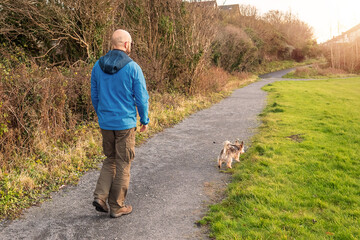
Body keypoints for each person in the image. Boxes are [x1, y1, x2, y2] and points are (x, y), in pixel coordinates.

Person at [90, 29, 149, 218]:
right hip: (125, 124)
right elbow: (141, 98)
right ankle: (116, 206)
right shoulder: (133, 68)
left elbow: (95, 96)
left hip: (106, 123)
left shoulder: (97, 67)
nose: (131, 46)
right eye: (130, 43)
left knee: (111, 159)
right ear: (125, 44)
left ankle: (100, 197)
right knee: (123, 162)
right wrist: (144, 119)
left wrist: (103, 115)